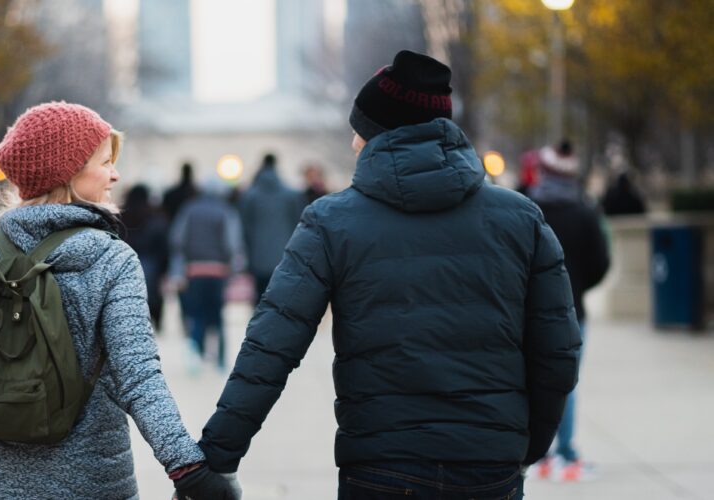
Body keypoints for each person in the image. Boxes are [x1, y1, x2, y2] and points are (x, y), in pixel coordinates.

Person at [197, 50, 581, 500]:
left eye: (359, 131)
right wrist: (526, 443)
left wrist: (217, 458)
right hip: (489, 465)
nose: (354, 143)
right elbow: (558, 350)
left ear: (379, 133)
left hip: (381, 467)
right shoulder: (520, 217)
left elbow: (271, 346)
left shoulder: (331, 221)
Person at [0, 102, 239, 500]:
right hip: (96, 484)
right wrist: (188, 468)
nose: (115, 174)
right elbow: (139, 378)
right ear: (68, 172)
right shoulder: (111, 259)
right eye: (104, 162)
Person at [528, 141, 610, 482]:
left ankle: (538, 454)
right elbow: (601, 263)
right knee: (567, 383)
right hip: (572, 311)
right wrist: (575, 289)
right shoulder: (585, 212)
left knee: (530, 379)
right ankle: (565, 453)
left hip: (530, 311)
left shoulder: (529, 208)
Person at [169, 176, 245, 374]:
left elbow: (178, 239)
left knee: (197, 314)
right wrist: (234, 269)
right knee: (218, 316)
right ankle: (220, 360)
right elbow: (232, 243)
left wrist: (179, 270)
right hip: (218, 272)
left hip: (194, 270)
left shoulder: (189, 209)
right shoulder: (226, 211)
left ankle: (197, 355)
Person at [239, 153, 304, 303]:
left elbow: (245, 228)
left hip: (258, 257)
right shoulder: (291, 195)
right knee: (282, 301)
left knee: (260, 301)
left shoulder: (250, 196)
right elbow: (299, 226)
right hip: (284, 258)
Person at [120, 183, 169, 331]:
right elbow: (163, 246)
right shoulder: (155, 217)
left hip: (126, 265)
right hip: (151, 266)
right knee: (154, 298)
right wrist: (164, 269)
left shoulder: (121, 217)